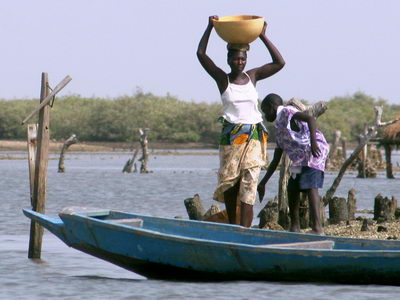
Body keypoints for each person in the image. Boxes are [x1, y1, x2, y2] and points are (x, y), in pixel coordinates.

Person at [196, 16, 285, 227]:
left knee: (250, 183)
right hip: (231, 138)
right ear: (228, 60)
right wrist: (209, 26)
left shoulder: (252, 76)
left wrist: (262, 35)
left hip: (253, 136)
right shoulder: (222, 79)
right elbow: (201, 54)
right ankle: (234, 227)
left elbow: (279, 62)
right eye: (236, 59)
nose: (240, 62)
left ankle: (246, 230)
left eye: (243, 59)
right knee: (230, 184)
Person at [257, 93, 329, 234]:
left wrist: (313, 142)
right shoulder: (279, 128)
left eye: (265, 111)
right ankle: (294, 227)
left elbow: (310, 119)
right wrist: (262, 183)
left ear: (272, 107)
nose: (265, 116)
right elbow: (275, 160)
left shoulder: (287, 111)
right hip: (300, 159)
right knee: (292, 188)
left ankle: (317, 228)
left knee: (310, 186)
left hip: (313, 152)